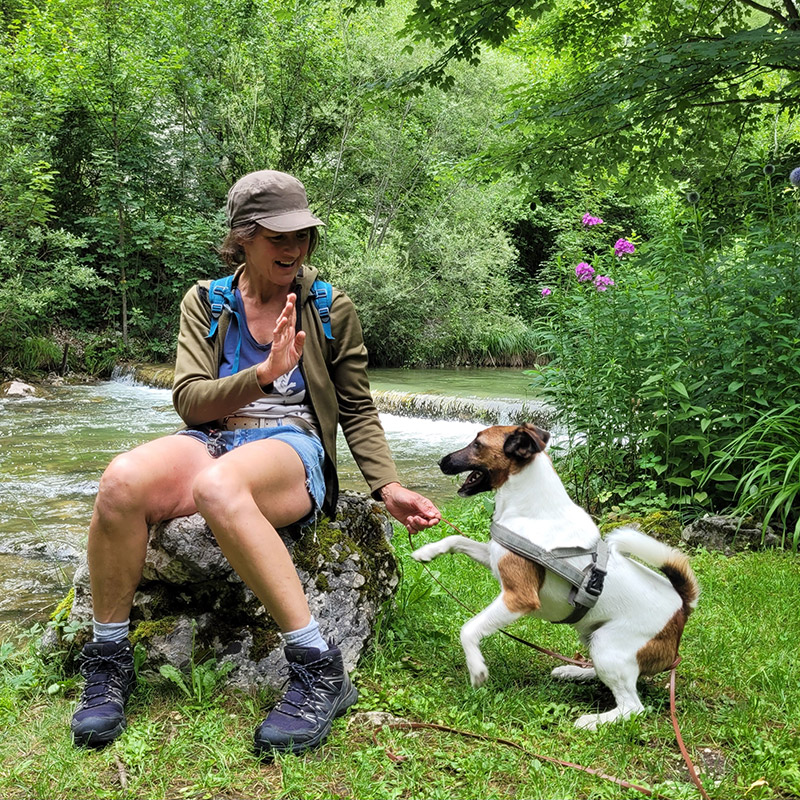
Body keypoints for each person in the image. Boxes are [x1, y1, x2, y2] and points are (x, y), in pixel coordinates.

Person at [70, 169, 441, 757]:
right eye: (278, 237)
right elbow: (190, 401)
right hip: (212, 436)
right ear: (243, 236)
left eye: (303, 235)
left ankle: (318, 668)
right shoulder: (207, 301)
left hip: (294, 447)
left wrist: (387, 485)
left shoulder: (330, 307)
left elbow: (355, 407)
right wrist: (263, 374)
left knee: (220, 488)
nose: (294, 248)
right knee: (120, 480)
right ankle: (109, 658)